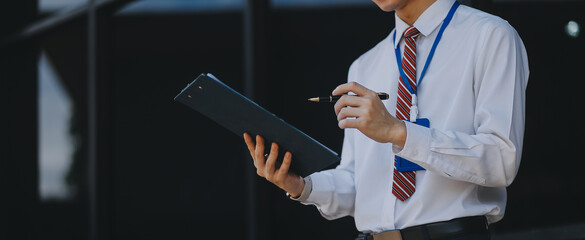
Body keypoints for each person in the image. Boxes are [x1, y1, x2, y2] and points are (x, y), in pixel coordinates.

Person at [244, 0, 529, 239]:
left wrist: (399, 132)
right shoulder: (365, 65)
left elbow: (501, 160)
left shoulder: (490, 36)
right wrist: (302, 186)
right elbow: (360, 183)